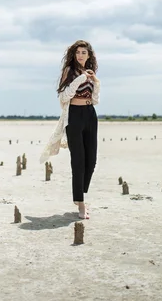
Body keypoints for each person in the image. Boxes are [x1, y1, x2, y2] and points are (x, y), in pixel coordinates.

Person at [40, 40, 100, 219]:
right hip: (74, 115)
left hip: (90, 114)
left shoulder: (90, 73)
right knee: (78, 161)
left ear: (89, 55)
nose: (80, 55)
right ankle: (80, 203)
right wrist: (81, 79)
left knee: (92, 160)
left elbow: (95, 99)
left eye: (84, 52)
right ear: (74, 55)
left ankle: (79, 193)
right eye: (78, 52)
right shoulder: (70, 71)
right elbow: (65, 96)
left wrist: (96, 82)